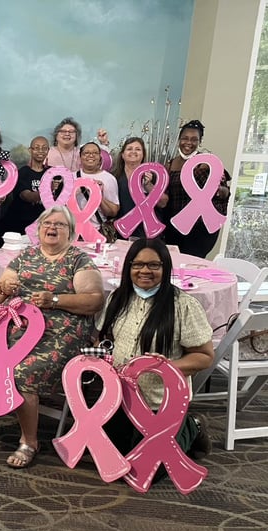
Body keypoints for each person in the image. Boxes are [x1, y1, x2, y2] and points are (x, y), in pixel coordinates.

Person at [0, 206, 104, 468]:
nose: (52, 228)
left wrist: (55, 300)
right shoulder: (24, 257)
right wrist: (3, 288)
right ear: (38, 230)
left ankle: (29, 441)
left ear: (71, 233)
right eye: (47, 224)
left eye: (60, 225)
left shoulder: (78, 260)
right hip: (16, 323)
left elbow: (95, 301)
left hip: (60, 329)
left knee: (21, 372)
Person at [96, 238, 214, 463]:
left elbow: (205, 357)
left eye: (153, 265)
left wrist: (164, 366)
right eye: (137, 264)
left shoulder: (182, 305)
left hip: (161, 403)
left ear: (165, 268)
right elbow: (104, 339)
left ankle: (193, 426)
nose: (144, 271)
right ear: (128, 266)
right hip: (120, 398)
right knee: (109, 458)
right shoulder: (117, 298)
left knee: (149, 468)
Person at [164, 120, 231, 257]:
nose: (189, 143)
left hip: (199, 228)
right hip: (174, 226)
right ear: (179, 140)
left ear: (199, 142)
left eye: (194, 139)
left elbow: (224, 192)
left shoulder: (207, 164)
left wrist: (220, 190)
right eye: (185, 138)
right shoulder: (170, 165)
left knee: (192, 264)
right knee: (173, 263)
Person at [0, 135, 49, 242]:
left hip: (43, 227)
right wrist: (48, 189)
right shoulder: (22, 173)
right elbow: (27, 196)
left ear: (48, 150)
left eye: (44, 148)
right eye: (37, 148)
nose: (40, 151)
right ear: (30, 150)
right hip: (20, 226)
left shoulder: (52, 173)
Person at [111, 137, 166, 239]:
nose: (133, 152)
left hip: (148, 233)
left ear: (143, 154)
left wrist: (148, 185)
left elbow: (163, 203)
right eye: (129, 149)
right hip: (123, 232)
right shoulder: (114, 177)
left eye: (138, 149)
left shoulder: (154, 175)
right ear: (122, 155)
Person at [76, 142, 120, 232]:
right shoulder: (71, 177)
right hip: (73, 231)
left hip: (97, 231)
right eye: (86, 153)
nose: (90, 156)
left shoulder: (109, 179)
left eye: (95, 153)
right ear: (80, 157)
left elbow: (113, 212)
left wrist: (97, 194)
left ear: (100, 157)